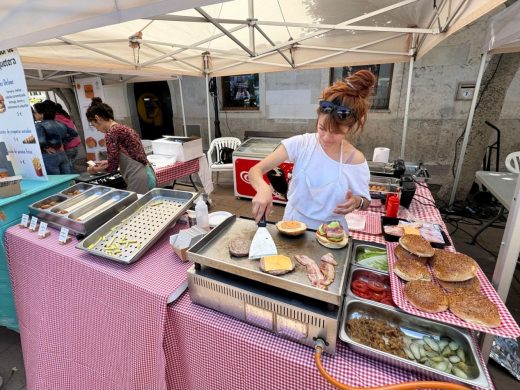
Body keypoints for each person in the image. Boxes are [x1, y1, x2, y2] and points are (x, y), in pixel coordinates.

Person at [249, 70, 375, 230]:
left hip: (332, 232)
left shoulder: (355, 159)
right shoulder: (301, 144)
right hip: (292, 223)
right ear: (317, 118)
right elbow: (255, 170)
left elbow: (365, 201)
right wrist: (263, 188)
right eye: (322, 128)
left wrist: (357, 201)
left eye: (337, 132)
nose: (327, 138)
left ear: (349, 128)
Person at [85, 97, 156, 194]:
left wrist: (94, 169)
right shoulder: (124, 128)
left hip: (137, 176)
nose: (96, 129)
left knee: (138, 207)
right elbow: (130, 153)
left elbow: (112, 167)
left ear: (97, 118)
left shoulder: (111, 133)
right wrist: (108, 161)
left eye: (94, 125)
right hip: (147, 173)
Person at [33, 102, 73, 174]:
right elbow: (74, 134)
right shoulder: (60, 123)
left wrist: (47, 147)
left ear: (42, 114)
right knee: (67, 179)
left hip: (49, 156)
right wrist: (62, 143)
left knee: (56, 181)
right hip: (62, 154)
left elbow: (41, 141)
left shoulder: (38, 126)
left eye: (35, 112)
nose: (34, 114)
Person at [44, 100, 82, 170]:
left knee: (68, 168)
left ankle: (74, 180)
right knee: (70, 165)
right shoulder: (64, 115)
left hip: (68, 147)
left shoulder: (56, 118)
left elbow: (60, 133)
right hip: (74, 145)